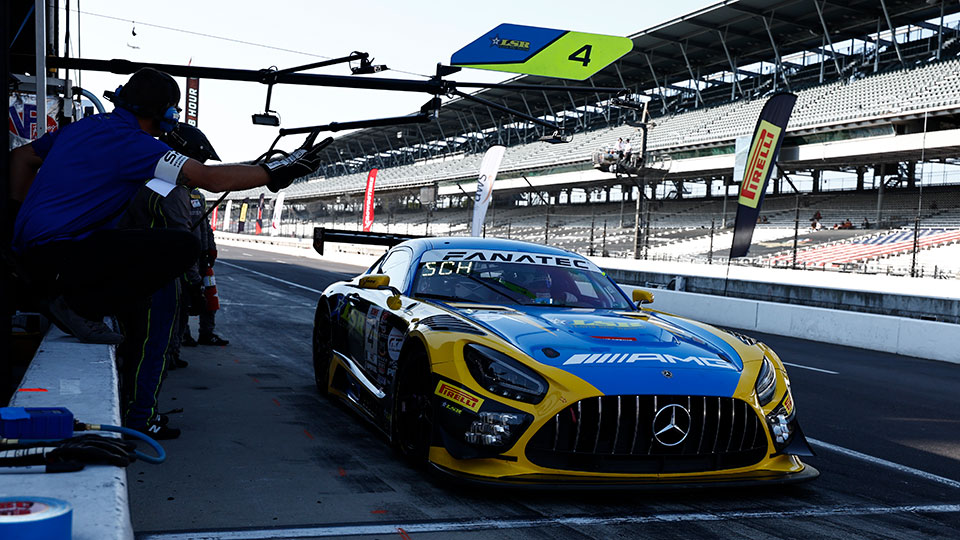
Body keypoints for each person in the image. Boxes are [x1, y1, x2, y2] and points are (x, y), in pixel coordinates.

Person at [9, 67, 330, 346]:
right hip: (60, 259)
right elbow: (209, 179)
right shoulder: (135, 144)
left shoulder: (86, 127)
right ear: (163, 114)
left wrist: (18, 217)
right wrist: (274, 171)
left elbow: (21, 158)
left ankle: (72, 301)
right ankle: (79, 308)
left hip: (30, 256)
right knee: (182, 247)